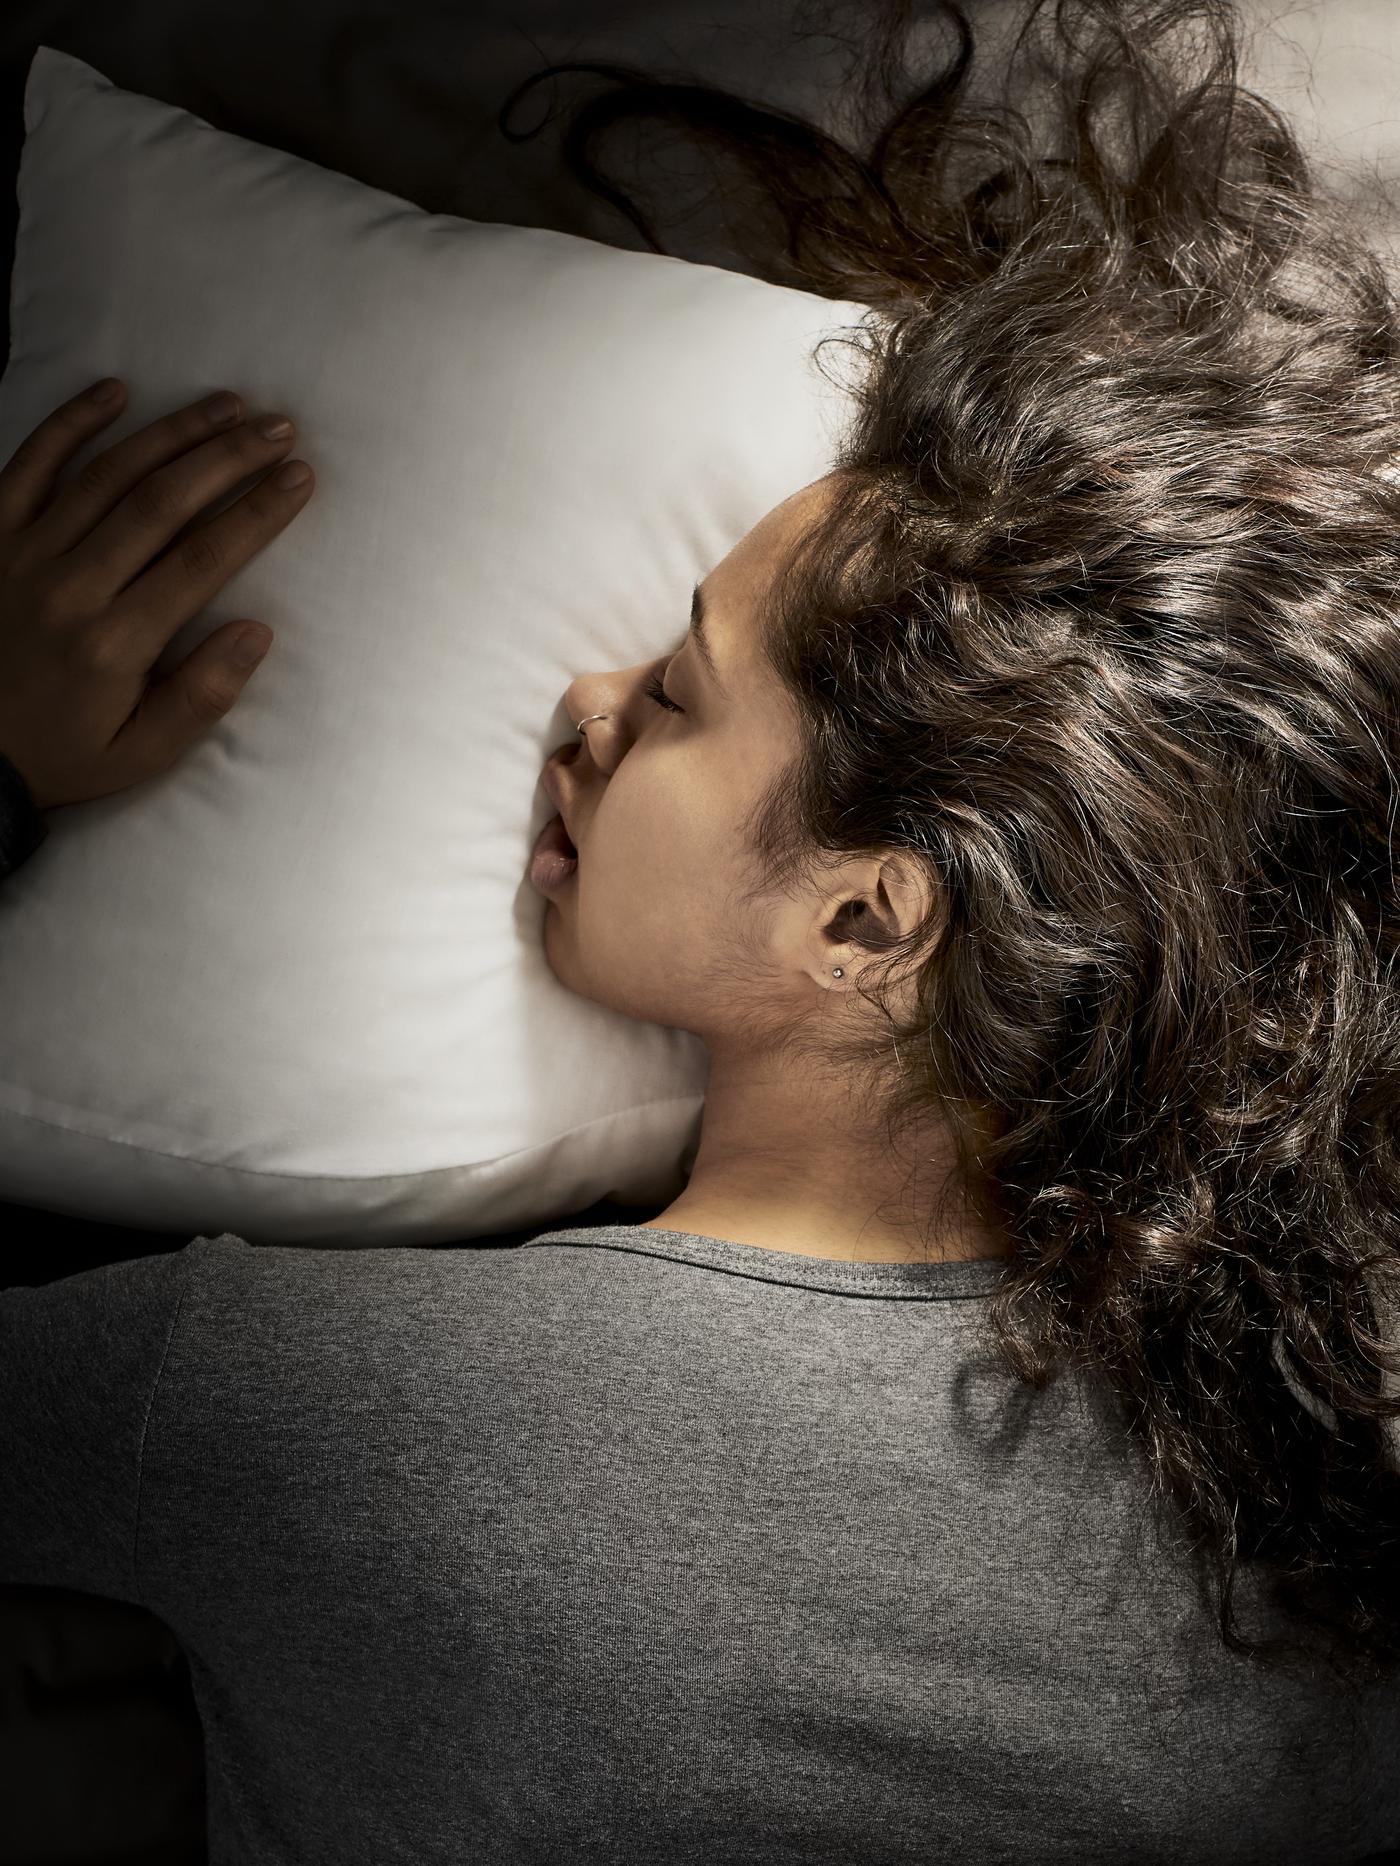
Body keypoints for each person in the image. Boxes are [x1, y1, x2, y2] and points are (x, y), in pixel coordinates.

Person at [2, 2, 1399, 1860]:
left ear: (869, 915)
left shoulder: (329, 1406)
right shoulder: (1311, 1525)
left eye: (674, 693)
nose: (582, 701)